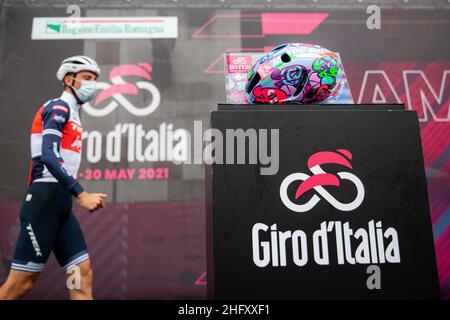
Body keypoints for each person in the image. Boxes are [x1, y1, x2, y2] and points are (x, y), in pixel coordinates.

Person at [0, 55, 107, 300]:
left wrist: (73, 197)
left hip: (60, 207)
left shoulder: (74, 113)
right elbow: (48, 155)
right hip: (43, 202)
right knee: (20, 285)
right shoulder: (59, 107)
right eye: (87, 78)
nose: (93, 84)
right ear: (69, 80)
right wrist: (81, 194)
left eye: (95, 79)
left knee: (81, 276)